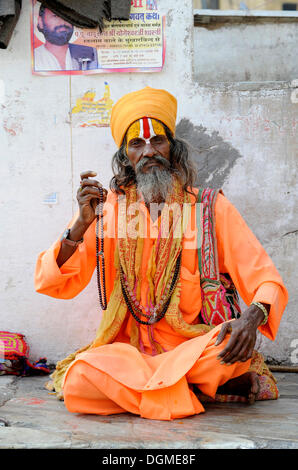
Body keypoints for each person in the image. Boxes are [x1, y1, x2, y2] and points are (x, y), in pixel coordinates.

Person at [35, 86, 288, 420]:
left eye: (158, 141)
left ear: (174, 149)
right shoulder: (105, 210)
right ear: (125, 157)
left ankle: (168, 386)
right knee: (79, 380)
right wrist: (81, 225)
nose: (149, 151)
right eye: (137, 144)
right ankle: (198, 389)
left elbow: (265, 279)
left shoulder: (210, 207)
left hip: (195, 347)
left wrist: (249, 321)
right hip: (129, 353)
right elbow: (54, 283)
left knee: (227, 352)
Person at [34, 5, 99, 72]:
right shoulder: (34, 57)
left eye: (67, 16)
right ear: (40, 21)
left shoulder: (89, 51)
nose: (63, 22)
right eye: (55, 16)